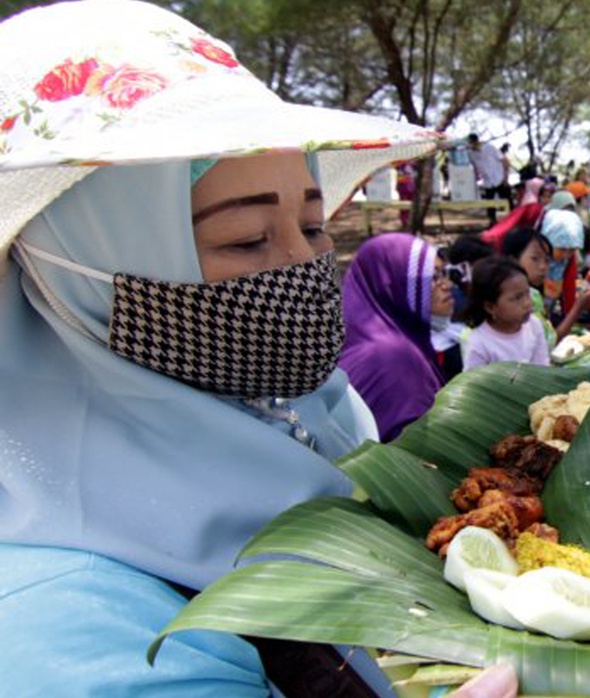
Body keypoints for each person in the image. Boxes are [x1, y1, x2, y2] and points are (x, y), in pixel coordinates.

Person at [0, 2, 516, 696]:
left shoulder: (321, 422)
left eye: (312, 224)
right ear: (83, 266)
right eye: (246, 241)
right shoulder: (75, 623)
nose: (302, 266)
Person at [339, 234, 450, 442]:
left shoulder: (383, 339)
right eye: (433, 277)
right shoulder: (392, 356)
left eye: (444, 273)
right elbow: (417, 449)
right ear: (394, 285)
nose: (446, 285)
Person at [462, 257, 550, 370]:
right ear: (490, 307)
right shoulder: (479, 344)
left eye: (527, 293)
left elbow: (543, 366)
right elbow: (473, 384)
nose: (527, 303)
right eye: (517, 298)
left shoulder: (534, 325)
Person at [467, 133, 506, 224]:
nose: (470, 146)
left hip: (499, 179)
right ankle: (492, 222)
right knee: (489, 204)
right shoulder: (470, 153)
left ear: (476, 141)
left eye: (471, 143)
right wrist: (476, 176)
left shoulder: (490, 148)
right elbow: (474, 166)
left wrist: (505, 178)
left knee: (506, 201)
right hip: (487, 182)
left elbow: (504, 160)